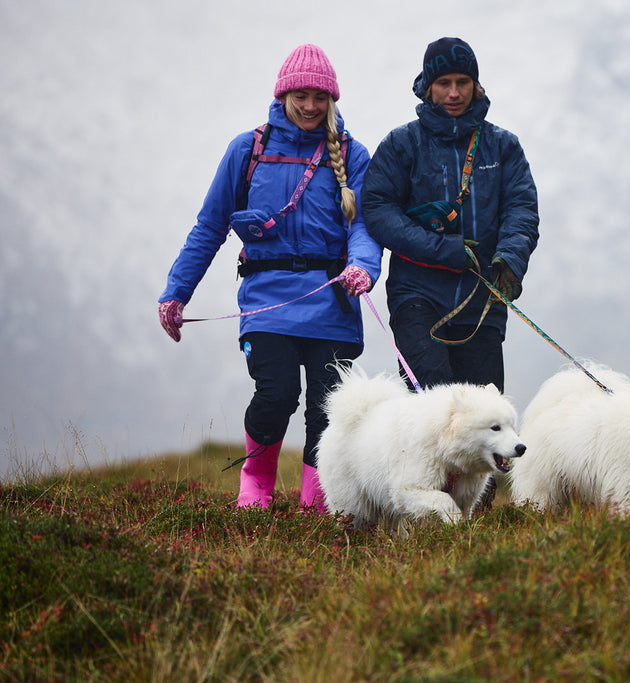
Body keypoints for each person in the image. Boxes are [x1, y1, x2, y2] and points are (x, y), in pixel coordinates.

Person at [157, 44, 381, 512]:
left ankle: (317, 499)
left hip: (333, 304)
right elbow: (210, 227)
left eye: (320, 97)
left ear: (332, 100)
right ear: (283, 94)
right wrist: (176, 293)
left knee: (328, 409)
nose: (310, 106)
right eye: (300, 95)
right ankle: (256, 481)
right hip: (266, 302)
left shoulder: (352, 154)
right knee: (276, 394)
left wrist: (364, 266)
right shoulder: (248, 150)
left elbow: (363, 225)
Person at [362, 37, 539, 394]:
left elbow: (522, 209)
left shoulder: (505, 146)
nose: (454, 92)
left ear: (476, 86)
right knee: (434, 406)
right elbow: (377, 209)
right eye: (444, 83)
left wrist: (511, 259)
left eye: (463, 82)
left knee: (482, 416)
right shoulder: (401, 144)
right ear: (428, 88)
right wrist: (443, 249)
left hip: (483, 294)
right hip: (415, 294)